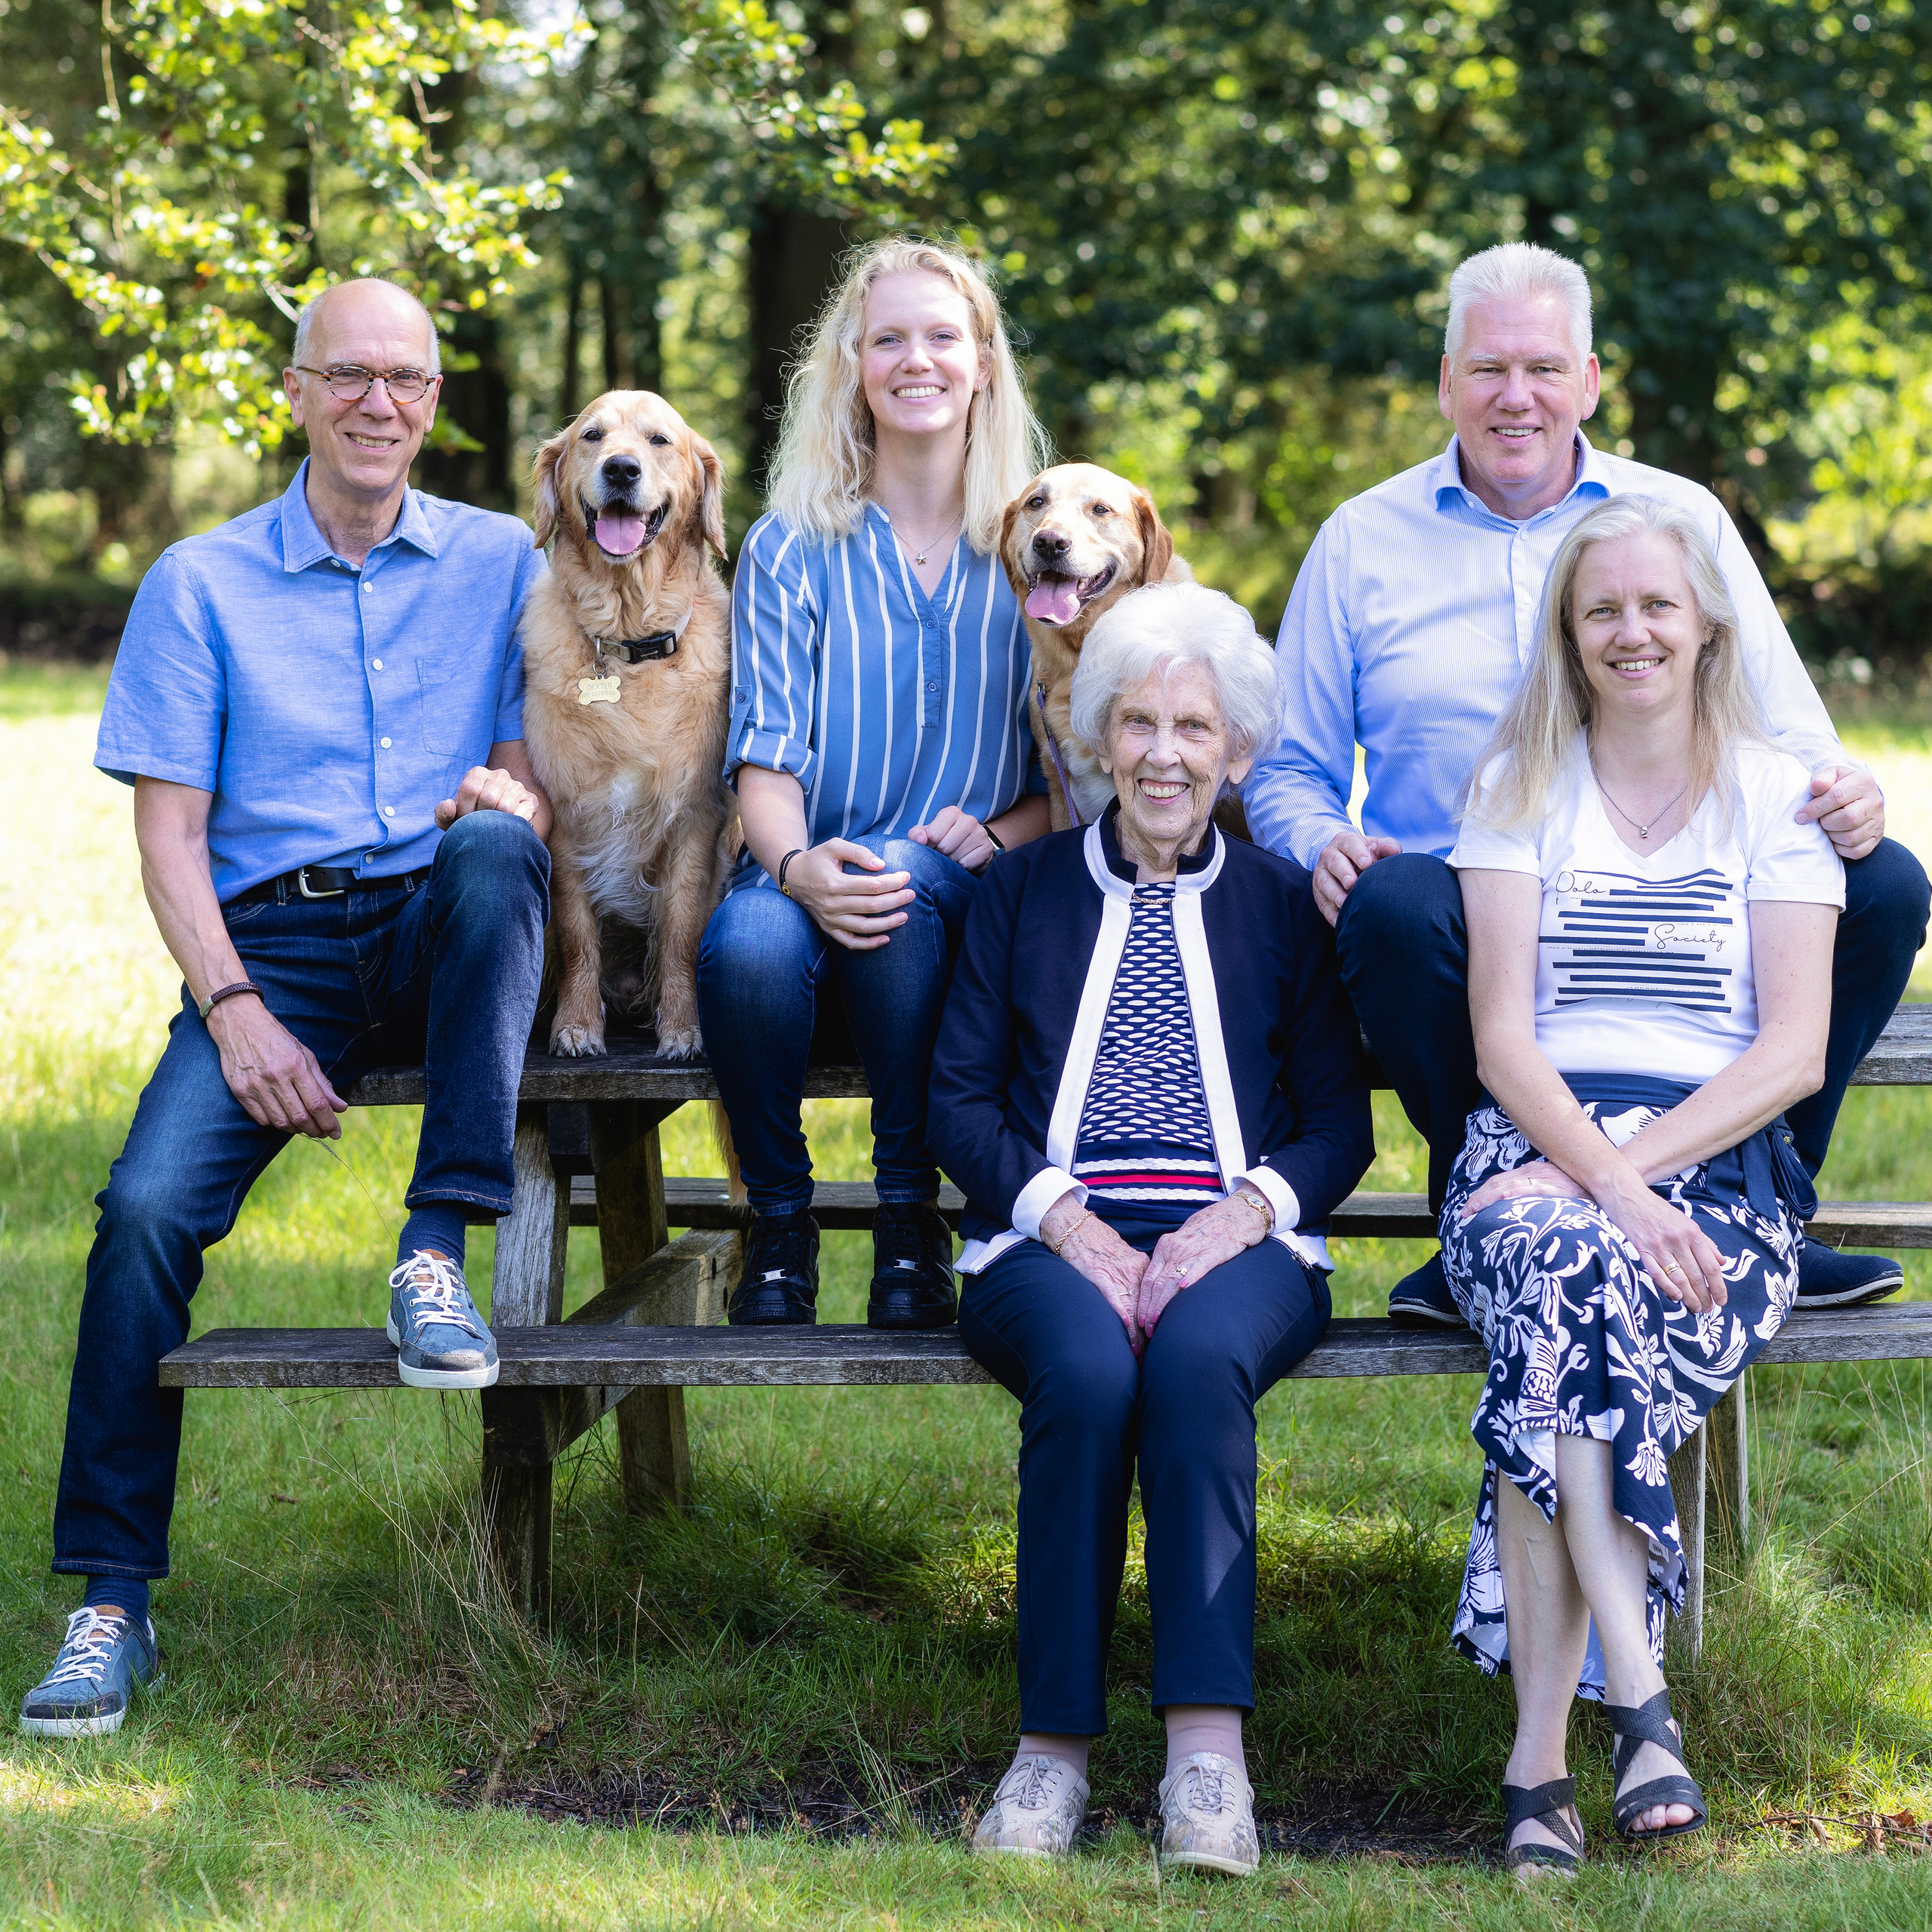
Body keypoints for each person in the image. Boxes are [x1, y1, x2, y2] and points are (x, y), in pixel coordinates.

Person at [20, 279, 553, 1739]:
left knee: (501, 842)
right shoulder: (200, 583)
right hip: (281, 948)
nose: (380, 403)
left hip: (453, 914)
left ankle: (433, 1250)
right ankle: (111, 1603)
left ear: (436, 401)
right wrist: (237, 1010)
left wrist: (501, 788)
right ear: (300, 391)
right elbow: (170, 838)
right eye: (350, 377)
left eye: (408, 379)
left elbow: (526, 769)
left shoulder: (506, 558)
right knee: (140, 1215)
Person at [1244, 241, 1928, 1322]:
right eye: (1487, 369)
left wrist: (1849, 796)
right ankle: (1481, 1213)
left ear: (1591, 381)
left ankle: (1762, 1203)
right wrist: (1318, 836)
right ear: (1445, 383)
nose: (1517, 396)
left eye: (1545, 368)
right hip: (1472, 918)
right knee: (1391, 902)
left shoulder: (1680, 518)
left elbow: (1797, 740)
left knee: (1885, 881)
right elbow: (1287, 770)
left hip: (1674, 897)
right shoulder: (1363, 541)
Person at [930, 583, 1374, 1875]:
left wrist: (1234, 1220)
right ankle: (1050, 1755)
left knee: (1189, 1363)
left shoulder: (1285, 902)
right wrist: (1072, 1225)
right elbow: (959, 1099)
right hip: (1039, 1238)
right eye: (1136, 724)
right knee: (1083, 1368)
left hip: (1244, 1243)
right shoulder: (1015, 895)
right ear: (1095, 739)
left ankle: (1205, 1760)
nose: (1166, 755)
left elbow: (1338, 1127)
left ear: (1237, 750)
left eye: (1195, 728)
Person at [1441, 495, 1838, 1876]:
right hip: (1534, 1151)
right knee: (1568, 1269)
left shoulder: (1778, 796)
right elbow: (1503, 1042)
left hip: (1715, 1171)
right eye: (1601, 609)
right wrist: (1603, 1184)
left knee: (1569, 1304)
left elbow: (1789, 1055)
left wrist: (1623, 1187)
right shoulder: (1515, 790)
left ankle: (1540, 1762)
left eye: (1658, 606)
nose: (1631, 632)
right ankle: (1639, 1694)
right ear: (1568, 631)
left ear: (1709, 624)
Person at [697, 237, 1052, 1332]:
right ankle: (780, 1223)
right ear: (852, 365)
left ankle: (910, 1217)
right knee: (746, 946)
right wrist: (799, 868)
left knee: (902, 878)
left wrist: (1005, 833)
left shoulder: (1039, 539)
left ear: (983, 363)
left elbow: (1079, 772)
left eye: (944, 337)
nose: (918, 361)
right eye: (888, 339)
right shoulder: (791, 546)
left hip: (974, 890)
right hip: (810, 865)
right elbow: (764, 760)